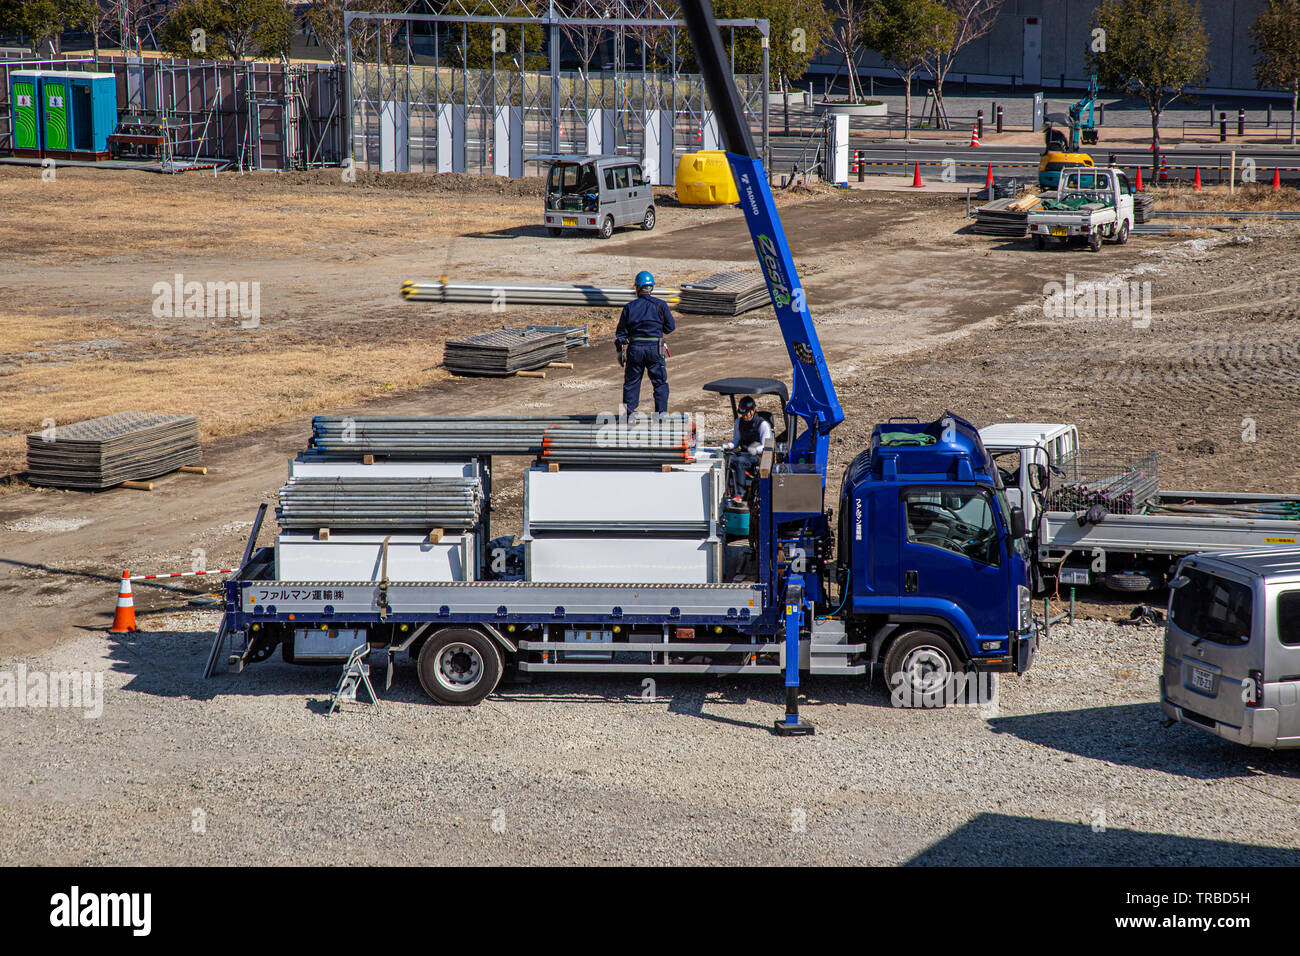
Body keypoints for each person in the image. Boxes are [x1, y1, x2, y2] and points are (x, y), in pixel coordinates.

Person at [615, 270, 675, 416]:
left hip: (635, 349)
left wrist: (620, 350)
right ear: (651, 288)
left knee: (631, 383)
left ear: (637, 288)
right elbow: (670, 327)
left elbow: (620, 334)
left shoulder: (629, 307)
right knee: (660, 382)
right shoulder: (661, 305)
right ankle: (661, 416)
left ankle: (627, 416)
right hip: (655, 348)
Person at [722, 396, 772, 503]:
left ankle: (740, 494)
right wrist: (728, 446)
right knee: (726, 458)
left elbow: (766, 445)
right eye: (742, 414)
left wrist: (755, 450)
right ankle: (726, 490)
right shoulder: (738, 422)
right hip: (743, 453)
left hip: (756, 456)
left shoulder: (762, 424)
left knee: (740, 462)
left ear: (753, 411)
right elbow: (736, 440)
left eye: (746, 413)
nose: (744, 416)